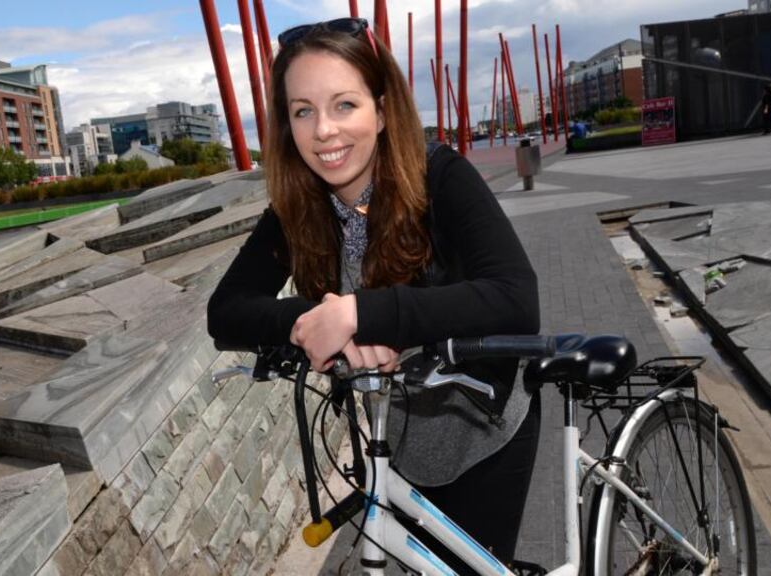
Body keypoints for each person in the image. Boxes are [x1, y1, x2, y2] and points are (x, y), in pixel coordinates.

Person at [207, 18, 540, 573]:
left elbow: (515, 298)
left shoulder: (440, 176)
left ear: (381, 111)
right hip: (397, 437)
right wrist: (315, 318)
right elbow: (226, 311)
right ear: (287, 127)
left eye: (344, 105)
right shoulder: (297, 207)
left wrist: (365, 313)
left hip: (484, 426)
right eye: (303, 111)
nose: (324, 131)